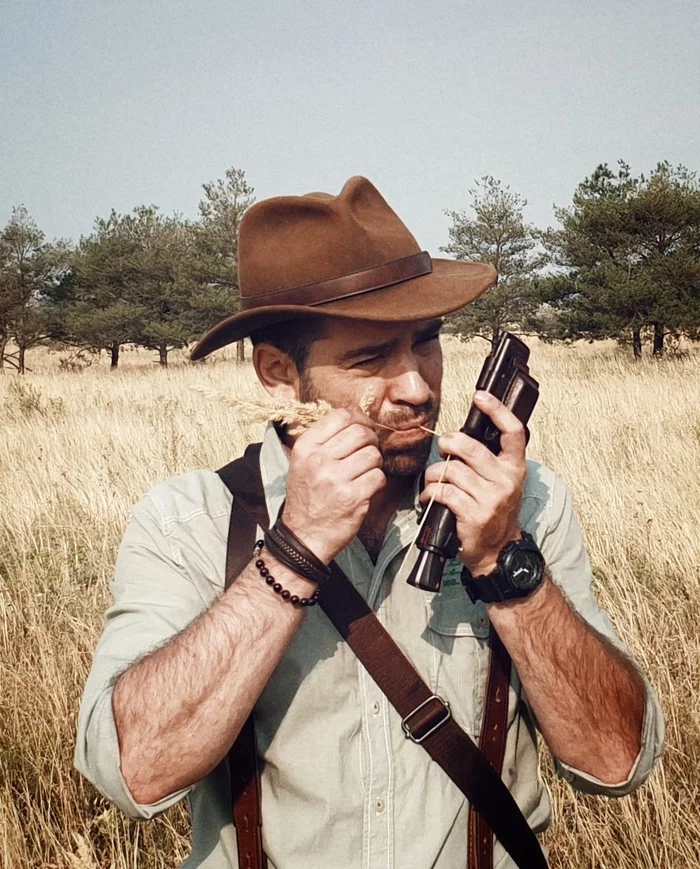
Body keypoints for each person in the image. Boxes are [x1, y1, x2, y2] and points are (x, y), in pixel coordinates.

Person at [75, 176, 664, 869]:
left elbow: (617, 760)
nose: (417, 386)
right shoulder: (190, 522)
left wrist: (508, 566)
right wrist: (291, 556)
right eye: (369, 358)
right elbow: (134, 771)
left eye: (427, 341)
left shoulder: (523, 500)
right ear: (276, 373)